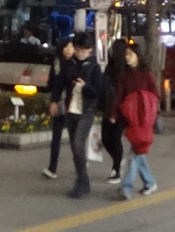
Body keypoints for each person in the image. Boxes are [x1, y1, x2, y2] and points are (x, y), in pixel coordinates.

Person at [113, 43, 159, 199]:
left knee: (136, 152)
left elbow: (155, 95)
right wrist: (114, 113)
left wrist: (153, 114)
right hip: (131, 119)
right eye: (126, 54)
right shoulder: (124, 75)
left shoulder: (147, 74)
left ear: (138, 56)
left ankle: (126, 187)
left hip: (144, 119)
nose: (127, 57)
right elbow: (119, 95)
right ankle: (149, 182)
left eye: (130, 54)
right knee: (138, 152)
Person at [64, 33, 104, 198]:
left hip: (87, 110)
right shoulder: (70, 64)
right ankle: (81, 179)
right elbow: (62, 82)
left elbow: (98, 92)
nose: (81, 53)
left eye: (84, 50)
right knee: (75, 147)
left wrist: (85, 86)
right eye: (78, 49)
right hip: (71, 108)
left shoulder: (94, 68)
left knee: (78, 143)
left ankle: (83, 181)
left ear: (90, 50)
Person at [43, 37, 76, 179]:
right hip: (59, 103)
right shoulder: (56, 63)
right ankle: (52, 167)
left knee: (75, 138)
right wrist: (53, 101)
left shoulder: (75, 64)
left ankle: (80, 164)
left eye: (71, 47)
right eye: (66, 47)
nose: (69, 50)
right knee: (56, 137)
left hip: (72, 105)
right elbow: (53, 84)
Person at [100, 39, 128, 184]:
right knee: (105, 139)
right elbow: (103, 87)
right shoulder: (109, 68)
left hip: (120, 111)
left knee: (115, 138)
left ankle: (116, 169)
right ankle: (119, 159)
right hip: (107, 108)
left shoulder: (126, 71)